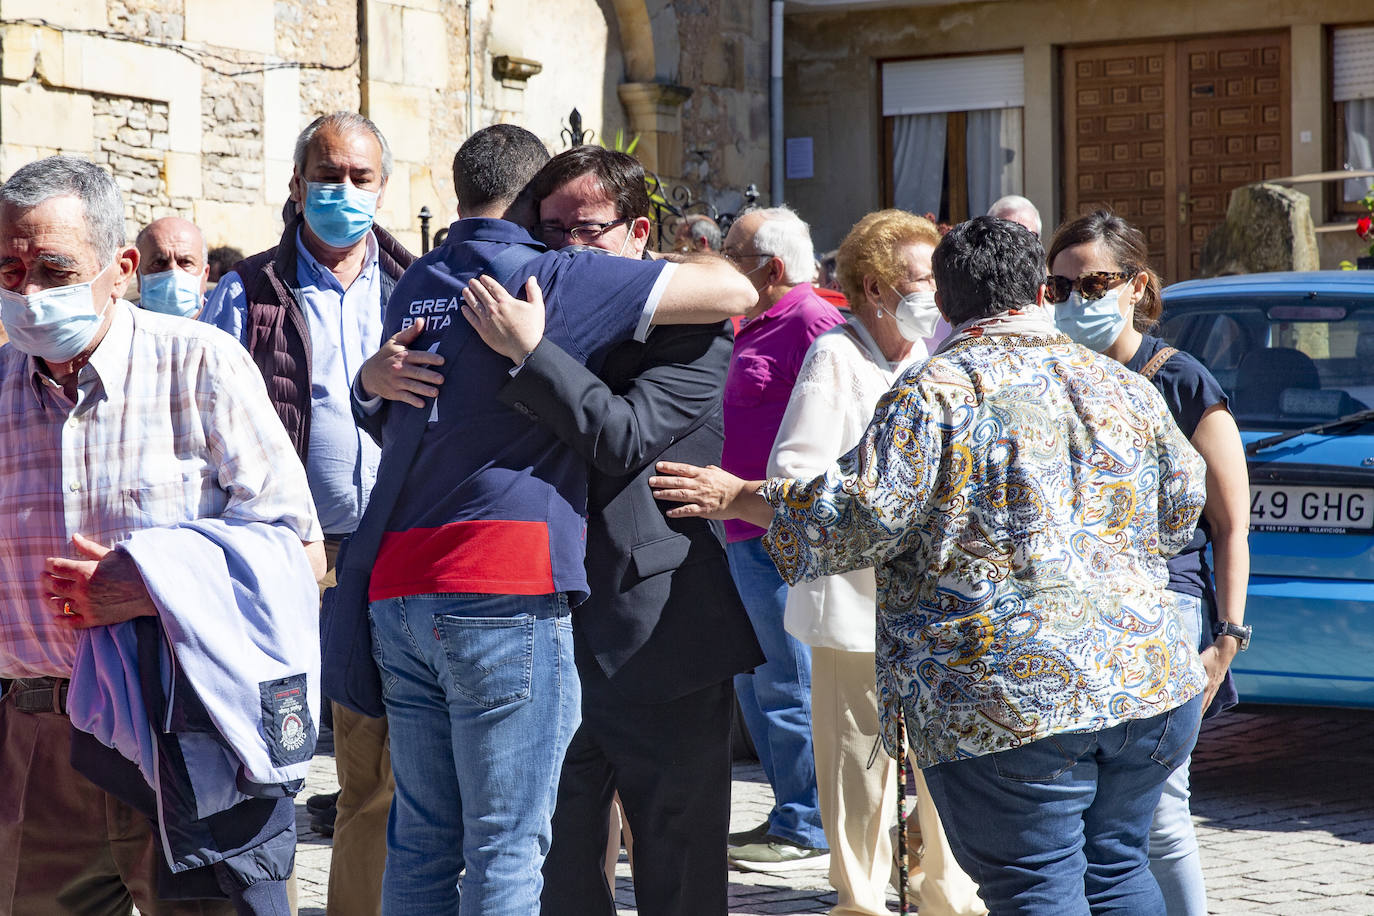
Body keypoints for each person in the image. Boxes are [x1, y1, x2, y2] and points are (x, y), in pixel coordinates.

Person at [650, 216, 1210, 914]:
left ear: (944, 304)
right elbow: (1183, 506)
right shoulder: (1120, 383)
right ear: (1039, 291)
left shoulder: (937, 391)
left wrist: (743, 499)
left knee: (1038, 883)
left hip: (1012, 697)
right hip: (1145, 680)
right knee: (1119, 871)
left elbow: (860, 518)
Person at [349, 124, 758, 914]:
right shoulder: (534, 297)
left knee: (678, 879)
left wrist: (534, 355)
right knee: (555, 877)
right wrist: (375, 381)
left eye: (587, 230)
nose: (566, 248)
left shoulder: (689, 328)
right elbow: (445, 424)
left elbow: (624, 438)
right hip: (530, 625)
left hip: (655, 637)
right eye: (551, 231)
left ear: (640, 233)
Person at [0, 155, 324, 913]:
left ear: (121, 268)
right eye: (9, 269)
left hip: (188, 734)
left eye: (52, 268)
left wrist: (153, 583)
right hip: (37, 746)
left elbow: (299, 551)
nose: (28, 292)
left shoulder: (200, 364)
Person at [200, 110, 414, 916]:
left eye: (361, 178)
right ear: (296, 186)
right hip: (284, 560)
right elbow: (205, 424)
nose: (344, 192)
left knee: (376, 762)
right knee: (276, 756)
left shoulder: (415, 285)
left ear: (383, 188)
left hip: (386, 555)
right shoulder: (245, 293)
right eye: (328, 176)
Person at [770, 209, 983, 916]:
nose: (935, 295)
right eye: (921, 280)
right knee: (858, 767)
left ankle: (948, 895)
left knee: (946, 762)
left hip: (931, 603)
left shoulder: (933, 362)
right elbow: (793, 470)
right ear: (874, 288)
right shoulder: (835, 357)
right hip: (853, 604)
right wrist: (880, 504)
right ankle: (859, 899)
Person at [1047, 210, 1249, 916]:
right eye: (1059, 285)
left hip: (1168, 610)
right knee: (1079, 818)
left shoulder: (1183, 382)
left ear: (1136, 286)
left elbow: (1230, 527)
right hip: (1077, 616)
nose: (1076, 298)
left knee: (1158, 813)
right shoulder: (1053, 375)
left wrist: (1225, 641)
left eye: (1093, 281)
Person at [718, 205, 843, 871]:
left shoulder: (811, 321)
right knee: (758, 680)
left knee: (790, 680)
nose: (720, 264)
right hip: (739, 527)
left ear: (770, 267)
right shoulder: (753, 322)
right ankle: (791, 808)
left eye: (731, 254)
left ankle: (809, 822)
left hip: (781, 531)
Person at [135, 216, 209, 318]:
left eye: (186, 262)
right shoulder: (118, 330)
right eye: (159, 262)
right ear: (138, 276)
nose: (173, 272)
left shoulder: (230, 329)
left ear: (205, 275)